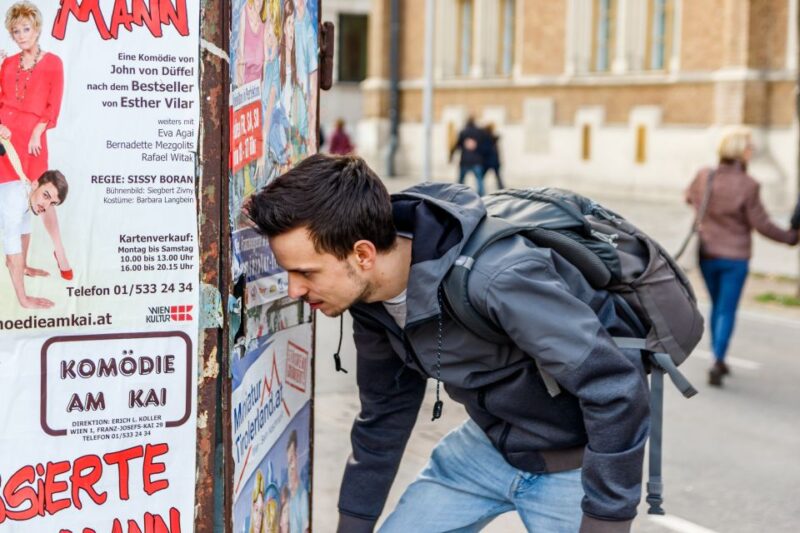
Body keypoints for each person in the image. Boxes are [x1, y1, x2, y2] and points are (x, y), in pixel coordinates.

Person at [247, 154, 650, 532]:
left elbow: (616, 387)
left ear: (363, 254)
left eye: (305, 272)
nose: (294, 289)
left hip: (576, 464)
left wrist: (605, 519)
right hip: (487, 447)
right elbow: (385, 413)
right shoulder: (370, 300)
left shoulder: (499, 278)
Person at [685, 126, 800, 387]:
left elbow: (688, 197)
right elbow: (761, 223)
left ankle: (718, 354)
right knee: (726, 309)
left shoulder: (705, 175)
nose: (753, 151)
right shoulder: (749, 185)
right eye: (749, 146)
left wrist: (709, 218)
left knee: (717, 306)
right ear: (739, 150)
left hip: (707, 253)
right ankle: (718, 358)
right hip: (735, 258)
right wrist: (790, 238)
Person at [0, 1, 70, 279]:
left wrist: (37, 132)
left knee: (40, 194)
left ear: (37, 29)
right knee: (15, 202)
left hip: (32, 139)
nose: (21, 36)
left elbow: (54, 104)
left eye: (26, 29)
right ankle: (19, 262)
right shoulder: (6, 62)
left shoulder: (53, 63)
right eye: (16, 31)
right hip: (6, 137)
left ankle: (59, 249)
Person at [1, 169, 68, 309]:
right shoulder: (15, 200)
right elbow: (12, 259)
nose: (45, 206)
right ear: (35, 184)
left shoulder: (28, 196)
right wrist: (24, 300)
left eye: (52, 203)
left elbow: (24, 233)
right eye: (46, 195)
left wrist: (23, 266)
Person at [449, 117, 486, 196]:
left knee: (461, 181)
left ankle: (457, 195)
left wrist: (451, 156)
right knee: (479, 181)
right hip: (477, 160)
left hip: (465, 160)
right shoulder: (479, 132)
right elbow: (484, 145)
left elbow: (457, 145)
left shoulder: (463, 132)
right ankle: (481, 195)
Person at [285, 430, 309, 533]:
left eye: (292, 459)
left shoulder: (302, 496)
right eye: (288, 462)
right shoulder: (288, 496)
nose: (290, 466)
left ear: (296, 456)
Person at [480, 122, 504, 190]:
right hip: (493, 161)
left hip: (487, 161)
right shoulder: (493, 138)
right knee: (498, 177)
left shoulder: (485, 138)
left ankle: (481, 189)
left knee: (482, 177)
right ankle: (501, 188)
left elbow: (484, 150)